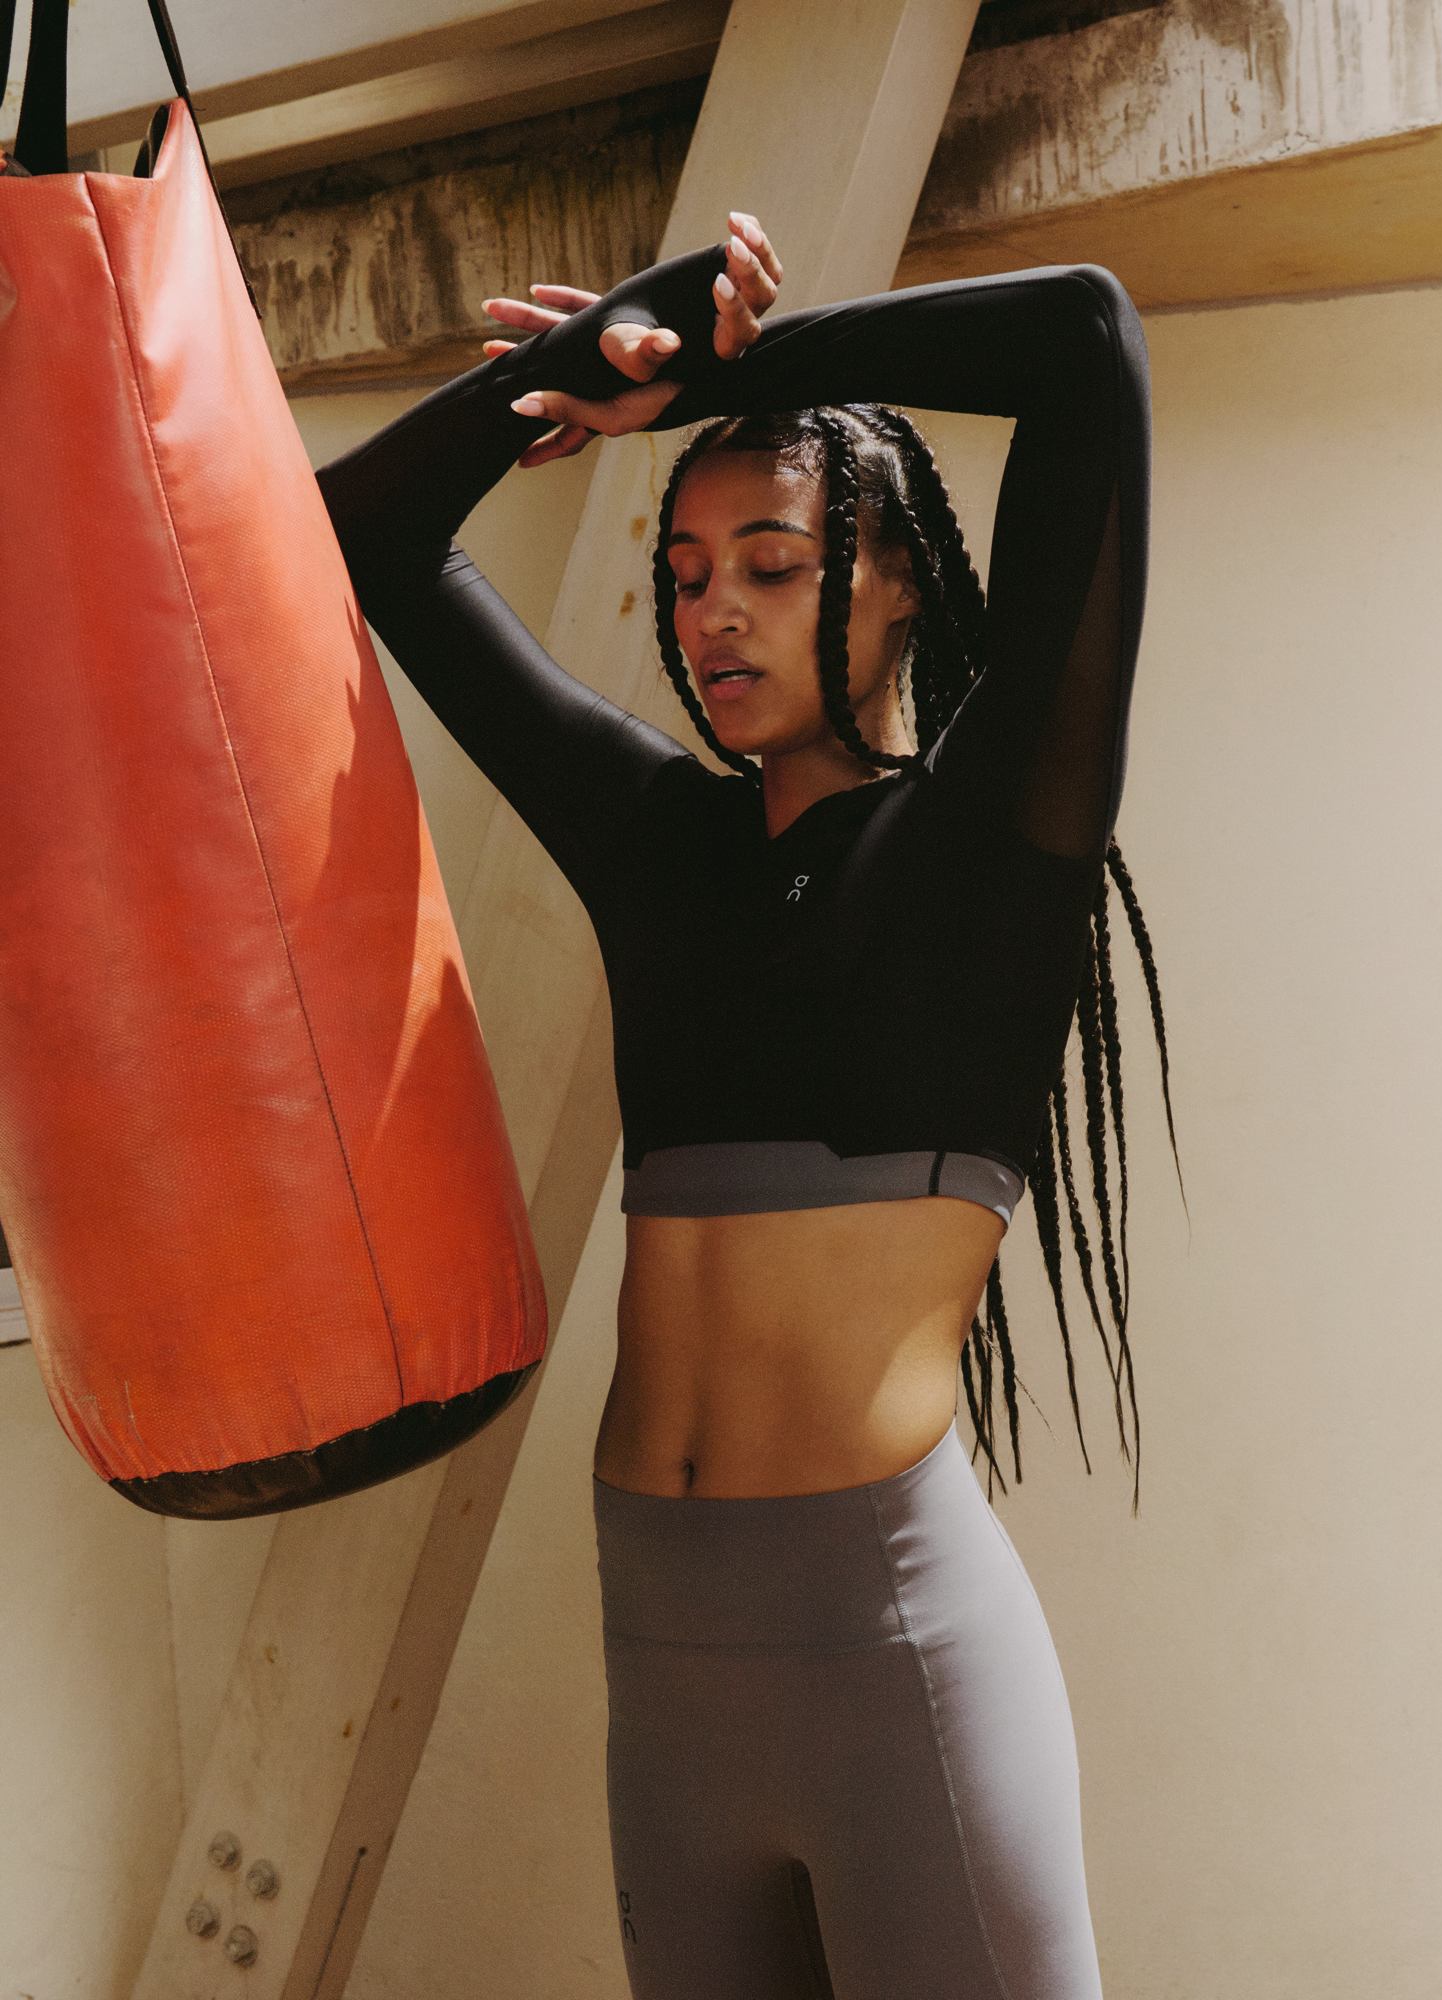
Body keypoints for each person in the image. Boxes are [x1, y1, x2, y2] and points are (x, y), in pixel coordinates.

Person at [317, 213, 1156, 2000]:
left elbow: (1086, 339)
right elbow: (361, 536)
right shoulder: (658, 847)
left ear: (903, 578)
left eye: (772, 563)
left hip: (895, 1649)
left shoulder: (996, 835)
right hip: (666, 1653)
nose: (713, 615)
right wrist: (562, 377)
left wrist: (745, 363)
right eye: (687, 573)